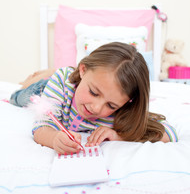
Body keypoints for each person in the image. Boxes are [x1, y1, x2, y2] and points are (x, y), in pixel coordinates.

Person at [10, 42, 178, 154]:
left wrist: (118, 136)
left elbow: (169, 133)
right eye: (94, 92)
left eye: (111, 105)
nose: (97, 108)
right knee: (19, 97)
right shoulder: (62, 83)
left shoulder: (124, 112)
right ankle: (42, 76)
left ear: (126, 102)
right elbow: (42, 126)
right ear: (83, 70)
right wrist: (54, 139)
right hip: (49, 89)